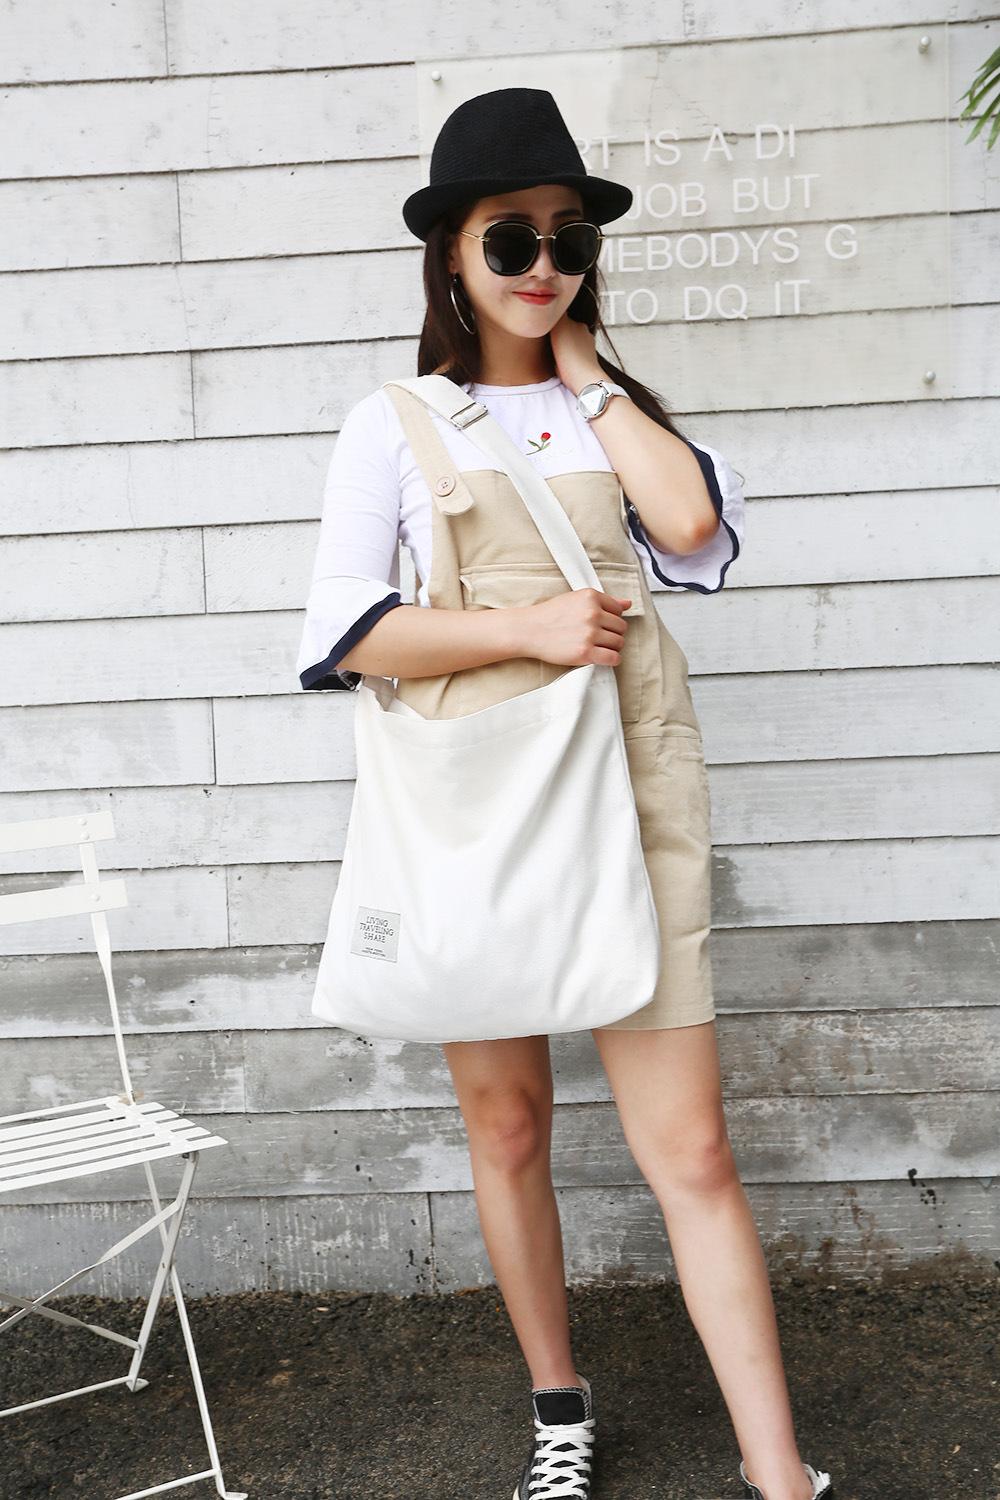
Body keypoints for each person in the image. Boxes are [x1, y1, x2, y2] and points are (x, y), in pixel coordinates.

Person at [297, 87, 832, 1500]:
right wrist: (525, 629)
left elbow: (693, 529)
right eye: (511, 237)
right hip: (484, 805)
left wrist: (590, 376)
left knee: (693, 1148)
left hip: (634, 795)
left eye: (569, 238)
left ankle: (779, 1474)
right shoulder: (395, 423)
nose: (543, 263)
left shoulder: (613, 411)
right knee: (510, 1125)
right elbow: (344, 632)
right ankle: (558, 1408)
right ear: (452, 254)